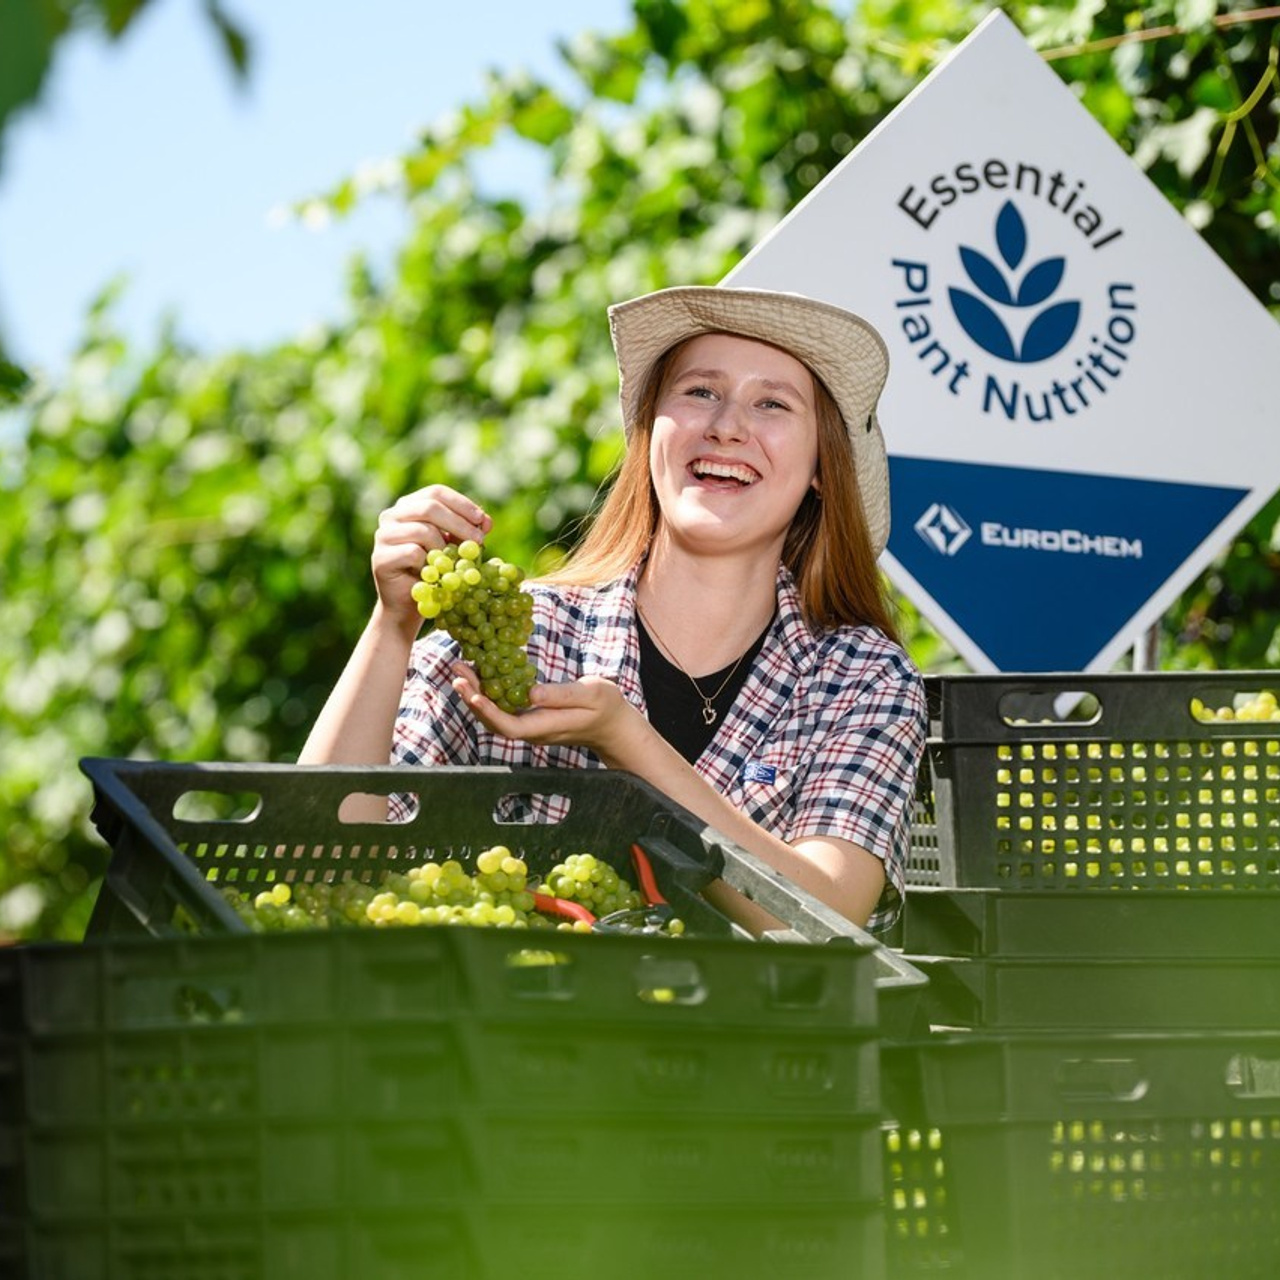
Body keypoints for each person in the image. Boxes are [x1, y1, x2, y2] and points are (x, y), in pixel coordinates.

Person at [299, 285, 926, 933]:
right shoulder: (521, 637)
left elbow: (826, 913)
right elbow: (311, 860)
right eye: (700, 392)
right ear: (650, 434)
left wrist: (626, 741)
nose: (727, 425)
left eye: (772, 403)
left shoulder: (859, 676)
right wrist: (392, 625)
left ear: (823, 466)